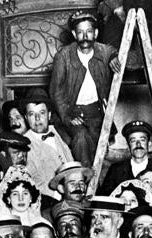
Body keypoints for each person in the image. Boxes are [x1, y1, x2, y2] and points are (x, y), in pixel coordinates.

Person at [48, 11, 120, 165]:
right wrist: (66, 116)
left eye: (89, 31)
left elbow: (113, 51)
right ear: (74, 34)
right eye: (80, 32)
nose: (85, 36)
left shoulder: (103, 51)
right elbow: (56, 91)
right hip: (72, 111)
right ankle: (86, 183)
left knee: (99, 150)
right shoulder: (64, 56)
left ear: (96, 33)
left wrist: (114, 58)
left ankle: (97, 183)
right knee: (80, 139)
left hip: (96, 113)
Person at [22, 95, 75, 201]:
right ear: (26, 118)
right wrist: (57, 197)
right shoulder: (24, 145)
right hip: (48, 201)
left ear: (49, 115)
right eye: (32, 114)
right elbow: (28, 183)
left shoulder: (56, 133)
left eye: (42, 113)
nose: (37, 119)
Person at [99, 121, 152, 197]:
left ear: (149, 143)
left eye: (142, 140)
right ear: (128, 145)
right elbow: (106, 198)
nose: (138, 144)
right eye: (133, 140)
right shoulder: (116, 170)